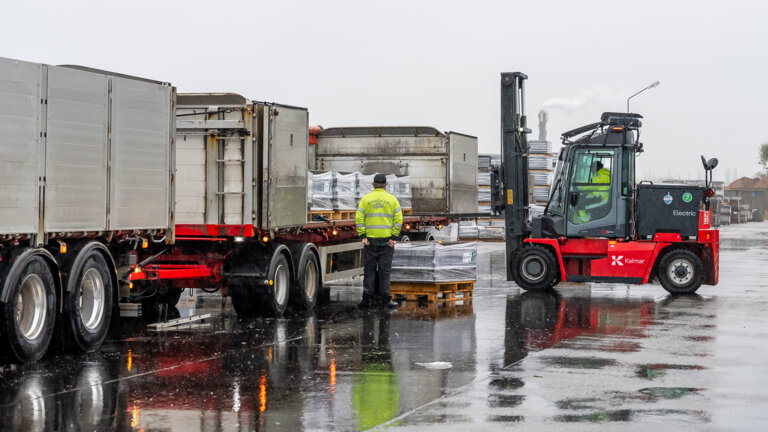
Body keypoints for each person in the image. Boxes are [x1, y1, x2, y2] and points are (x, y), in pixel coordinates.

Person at [355, 173, 403, 309]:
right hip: (387, 242)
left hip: (370, 242)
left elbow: (359, 218)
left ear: (373, 185)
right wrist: (394, 237)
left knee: (369, 271)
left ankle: (366, 301)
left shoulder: (366, 199)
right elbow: (398, 220)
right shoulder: (392, 200)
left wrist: (363, 235)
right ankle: (386, 300)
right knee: (384, 271)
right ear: (386, 185)